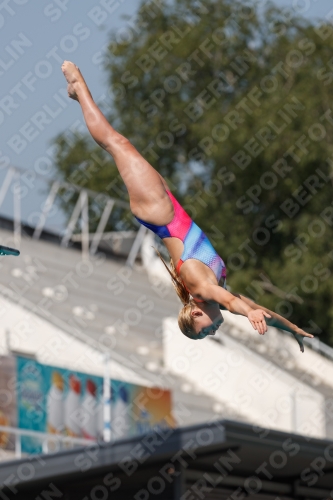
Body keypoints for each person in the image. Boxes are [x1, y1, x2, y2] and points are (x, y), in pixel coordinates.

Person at [61, 61, 313, 352]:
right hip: (167, 208)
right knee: (119, 144)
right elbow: (254, 308)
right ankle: (78, 94)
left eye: (204, 332)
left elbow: (234, 303)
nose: (213, 332)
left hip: (160, 213)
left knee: (116, 143)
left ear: (195, 312)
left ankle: (79, 86)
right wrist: (292, 328)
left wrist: (248, 313)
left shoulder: (202, 288)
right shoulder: (216, 293)